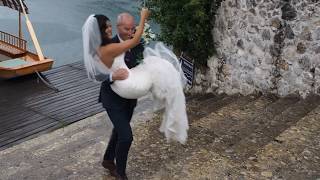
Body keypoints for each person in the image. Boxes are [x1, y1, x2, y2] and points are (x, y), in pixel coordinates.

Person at [82, 8, 188, 180]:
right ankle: (120, 173)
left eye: (133, 29)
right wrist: (112, 76)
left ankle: (108, 160)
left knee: (118, 130)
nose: (130, 32)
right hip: (113, 99)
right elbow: (95, 74)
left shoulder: (137, 42)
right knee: (126, 136)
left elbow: (139, 62)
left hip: (130, 98)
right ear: (118, 28)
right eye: (126, 29)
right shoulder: (109, 46)